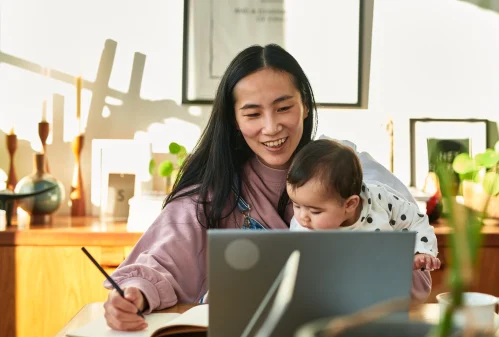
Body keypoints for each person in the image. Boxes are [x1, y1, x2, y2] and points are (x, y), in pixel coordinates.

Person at [102, 44, 433, 332]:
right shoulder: (210, 193)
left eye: (284, 107)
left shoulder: (358, 173)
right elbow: (158, 263)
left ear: (305, 104)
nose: (271, 127)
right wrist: (133, 294)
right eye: (252, 113)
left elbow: (415, 272)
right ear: (234, 119)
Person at [287, 139, 441, 271]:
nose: (302, 217)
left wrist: (421, 252)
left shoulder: (380, 200)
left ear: (350, 204)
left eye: (315, 211)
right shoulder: (303, 230)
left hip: (382, 286)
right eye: (297, 206)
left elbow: (415, 220)